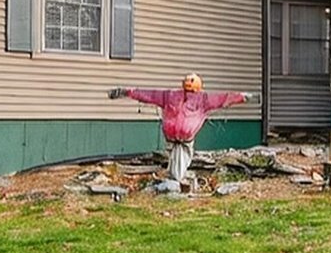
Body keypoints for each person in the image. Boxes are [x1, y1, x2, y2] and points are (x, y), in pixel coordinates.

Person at [107, 73, 251, 194]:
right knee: (178, 161)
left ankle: (173, 182)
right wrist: (127, 92)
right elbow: (149, 94)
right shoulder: (177, 96)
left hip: (181, 138)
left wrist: (242, 97)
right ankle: (173, 183)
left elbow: (224, 98)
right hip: (176, 138)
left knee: (178, 160)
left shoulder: (198, 99)